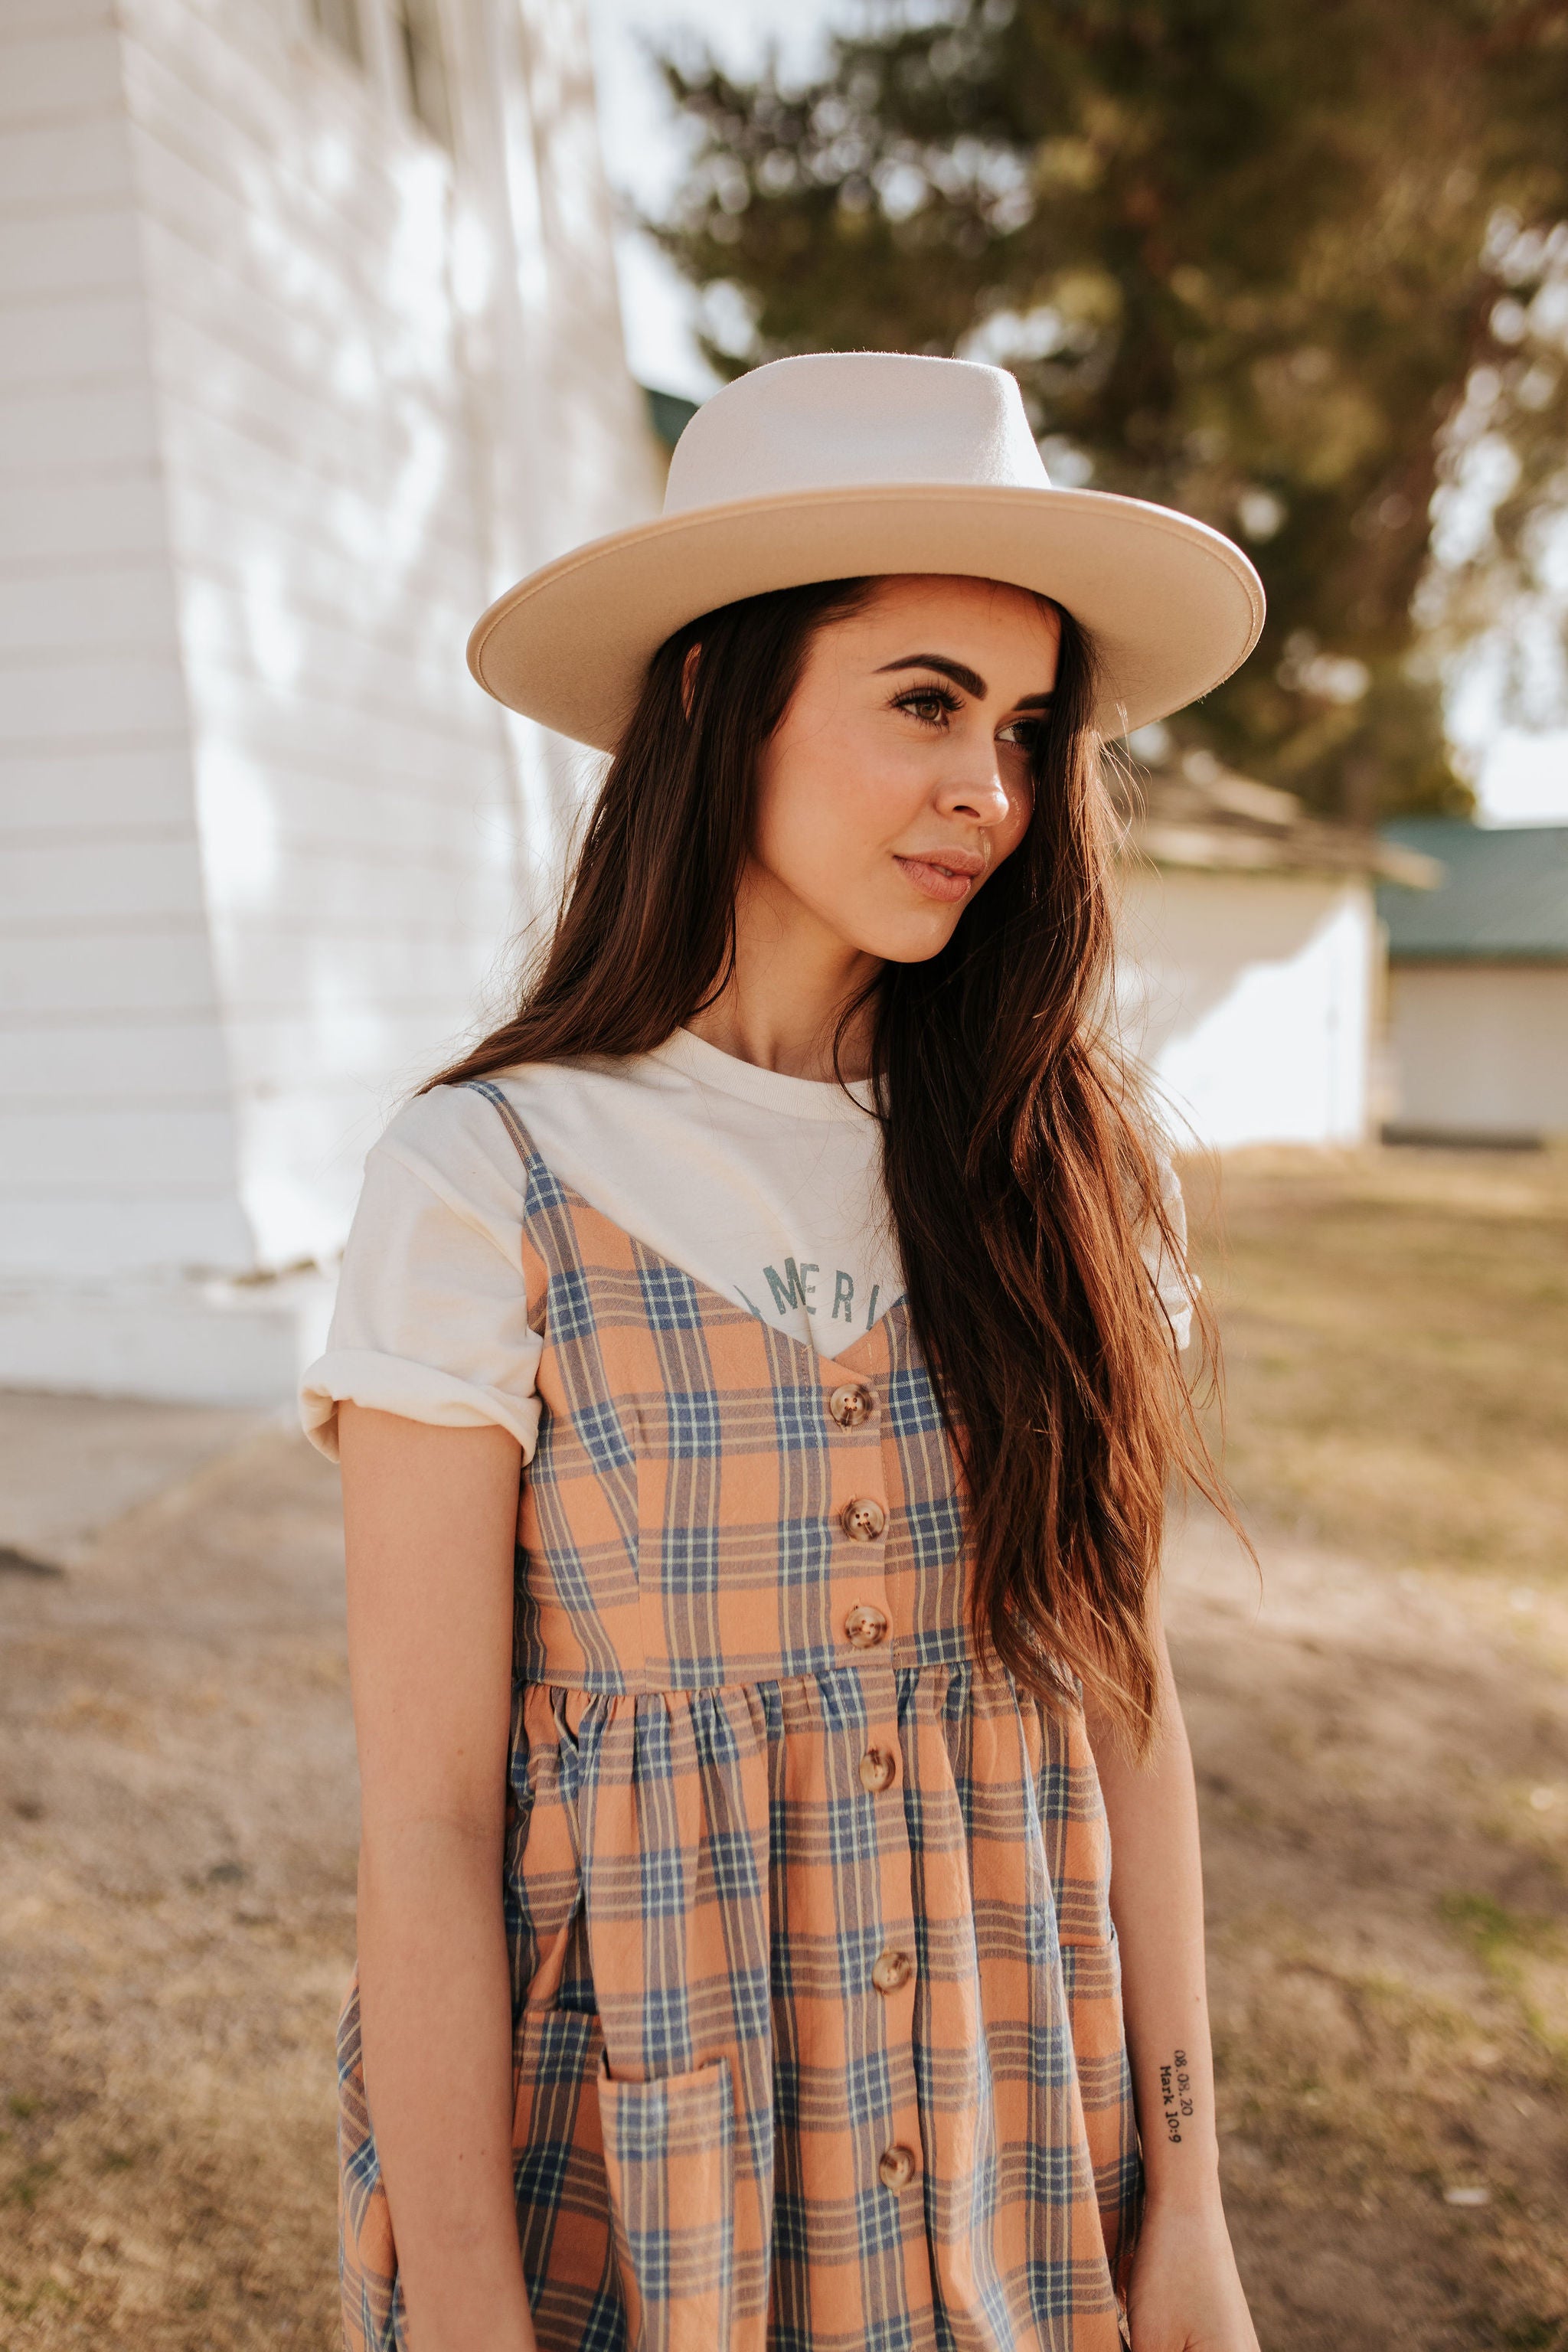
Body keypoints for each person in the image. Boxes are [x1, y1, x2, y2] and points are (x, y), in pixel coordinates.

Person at [302, 351, 1267, 2352]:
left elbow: (1126, 1715)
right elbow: (426, 1814)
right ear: (709, 696)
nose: (989, 793)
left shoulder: (1067, 1169)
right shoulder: (489, 1178)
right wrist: (472, 2295)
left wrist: (1191, 2205)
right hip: (643, 2169)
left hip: (1023, 2137)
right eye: (923, 702)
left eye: (1024, 729)